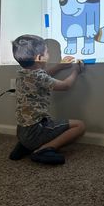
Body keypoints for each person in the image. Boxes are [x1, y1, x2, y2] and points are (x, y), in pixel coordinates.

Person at [9, 34, 85, 165]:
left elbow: (43, 77)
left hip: (21, 132)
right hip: (36, 130)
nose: (48, 54)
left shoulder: (22, 74)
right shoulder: (39, 77)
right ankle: (44, 149)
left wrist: (59, 67)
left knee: (33, 134)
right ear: (39, 57)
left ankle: (25, 146)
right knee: (80, 125)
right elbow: (65, 86)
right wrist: (75, 72)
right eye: (47, 52)